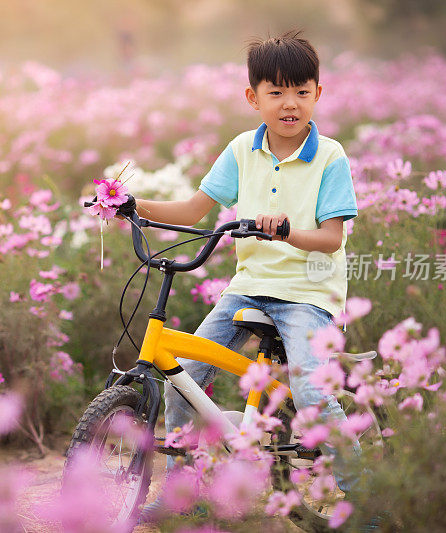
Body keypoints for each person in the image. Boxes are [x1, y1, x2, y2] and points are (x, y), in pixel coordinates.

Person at [131, 31, 360, 521]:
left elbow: (332, 238)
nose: (289, 103)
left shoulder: (330, 156)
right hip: (248, 289)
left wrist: (287, 232)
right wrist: (132, 206)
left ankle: (371, 499)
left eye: (301, 91)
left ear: (318, 93)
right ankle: (180, 494)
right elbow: (195, 209)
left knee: (312, 392)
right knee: (182, 379)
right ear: (253, 98)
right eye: (276, 93)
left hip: (306, 293)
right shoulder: (241, 150)